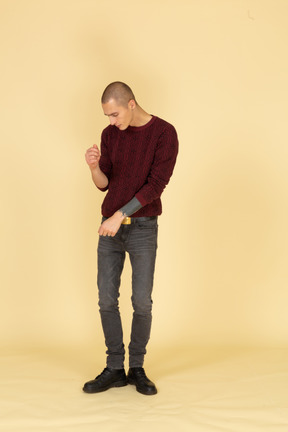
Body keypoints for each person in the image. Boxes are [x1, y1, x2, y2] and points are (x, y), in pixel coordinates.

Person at [83, 82, 178, 396]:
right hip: (110, 228)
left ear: (131, 104)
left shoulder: (164, 134)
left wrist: (118, 215)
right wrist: (94, 167)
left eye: (115, 113)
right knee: (107, 300)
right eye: (107, 115)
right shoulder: (110, 135)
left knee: (141, 302)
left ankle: (136, 367)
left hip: (141, 228)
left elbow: (154, 186)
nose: (111, 121)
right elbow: (104, 183)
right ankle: (114, 368)